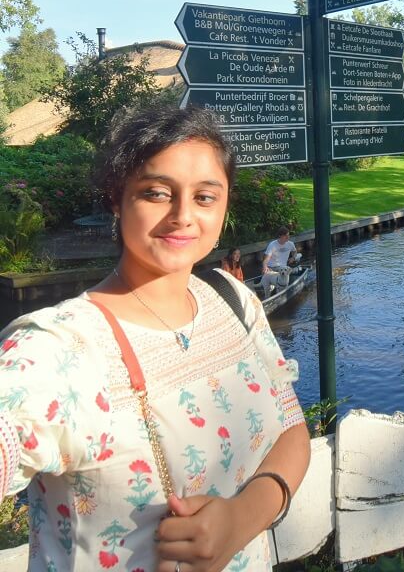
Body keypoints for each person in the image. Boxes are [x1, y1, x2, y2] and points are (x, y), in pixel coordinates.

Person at [0, 105, 310, 571]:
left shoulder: (233, 301)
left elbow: (291, 427)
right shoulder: (60, 349)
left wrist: (243, 518)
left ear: (225, 206)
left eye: (205, 197)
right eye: (156, 193)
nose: (182, 216)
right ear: (115, 199)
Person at [262, 226, 298, 298]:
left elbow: (295, 251)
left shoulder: (290, 244)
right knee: (267, 275)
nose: (288, 237)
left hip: (283, 268)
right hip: (272, 268)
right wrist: (265, 267)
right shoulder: (272, 245)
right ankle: (270, 291)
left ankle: (278, 290)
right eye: (285, 236)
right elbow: (266, 258)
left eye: (288, 235)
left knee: (295, 271)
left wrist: (293, 257)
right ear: (280, 236)